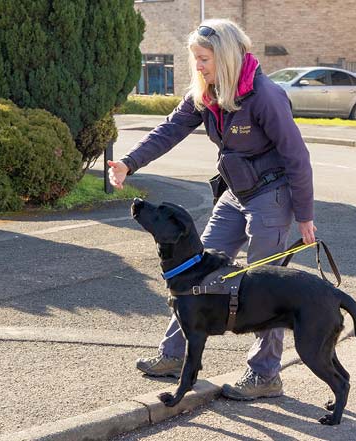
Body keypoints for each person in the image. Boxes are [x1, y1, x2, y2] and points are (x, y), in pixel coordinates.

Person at [107, 18, 315, 401]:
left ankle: (265, 374)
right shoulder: (206, 93)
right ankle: (173, 355)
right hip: (235, 193)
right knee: (193, 271)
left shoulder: (265, 97)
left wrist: (304, 215)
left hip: (272, 197)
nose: (198, 67)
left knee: (265, 287)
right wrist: (129, 163)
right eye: (196, 60)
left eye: (204, 59)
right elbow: (169, 129)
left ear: (226, 56)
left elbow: (297, 157)